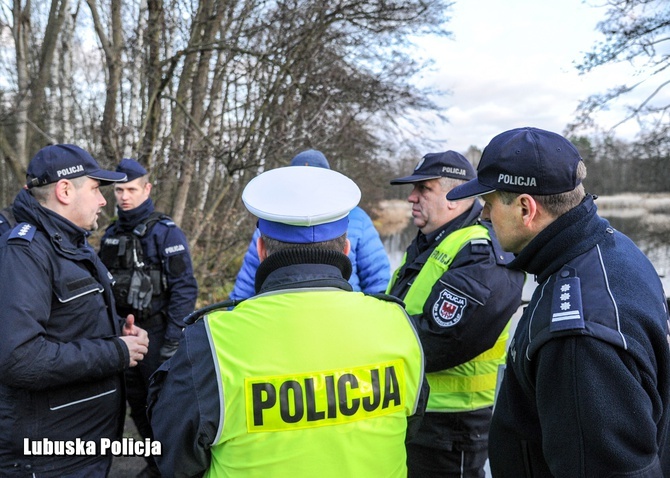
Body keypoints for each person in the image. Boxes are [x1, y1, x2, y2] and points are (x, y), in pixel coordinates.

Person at [147, 165, 428, 477]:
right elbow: (410, 426)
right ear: (346, 249)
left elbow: (176, 459)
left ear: (261, 249)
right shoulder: (399, 325)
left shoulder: (211, 342)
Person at [446, 126, 670, 477]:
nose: (485, 216)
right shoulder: (610, 248)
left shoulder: (576, 338)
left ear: (525, 208)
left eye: (489, 204)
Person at [0, 144, 150, 477]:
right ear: (65, 190)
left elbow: (69, 324)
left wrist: (119, 333)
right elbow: (20, 359)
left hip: (81, 448)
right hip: (48, 460)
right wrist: (115, 352)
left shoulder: (72, 245)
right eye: (96, 189)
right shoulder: (25, 253)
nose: (103, 200)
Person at [387, 150, 525, 477]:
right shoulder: (432, 242)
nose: (411, 197)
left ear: (454, 196)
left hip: (453, 425)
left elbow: (444, 339)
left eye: (424, 189)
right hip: (417, 414)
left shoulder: (482, 252)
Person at [98, 158, 198, 478]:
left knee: (164, 405)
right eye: (119, 190)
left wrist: (172, 340)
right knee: (135, 403)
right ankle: (155, 463)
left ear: (147, 189)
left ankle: (173, 466)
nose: (124, 196)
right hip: (122, 333)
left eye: (131, 189)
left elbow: (184, 288)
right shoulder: (111, 233)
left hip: (156, 331)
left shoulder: (165, 233)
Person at [229, 149, 390, 300]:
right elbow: (379, 281)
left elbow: (245, 288)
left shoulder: (270, 218)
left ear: (261, 249)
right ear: (345, 249)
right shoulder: (358, 218)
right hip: (349, 316)